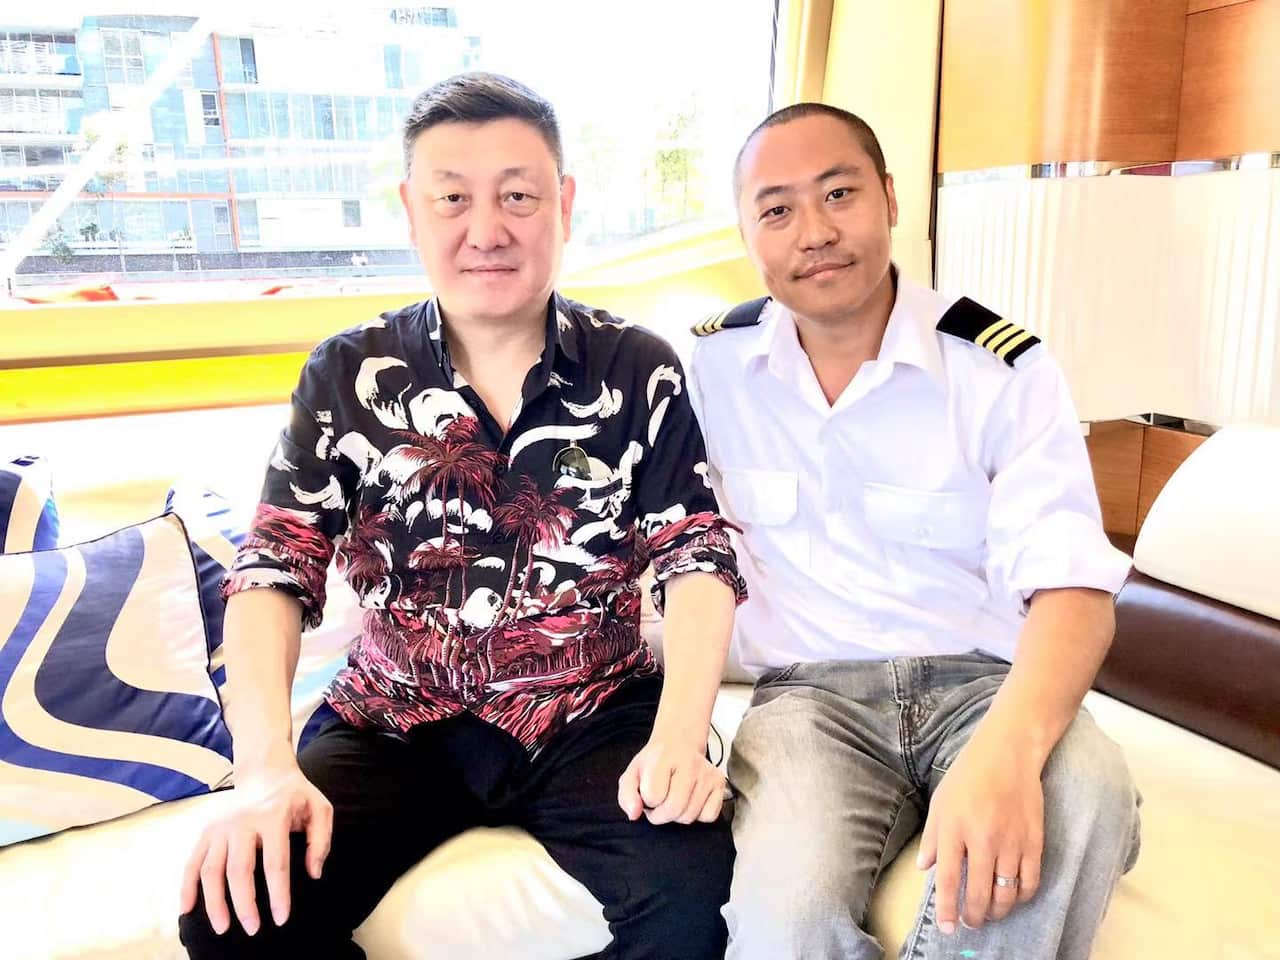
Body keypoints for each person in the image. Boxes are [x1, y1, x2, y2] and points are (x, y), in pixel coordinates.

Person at [178, 72, 745, 960]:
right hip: (393, 718)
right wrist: (263, 771)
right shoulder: (346, 374)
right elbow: (272, 571)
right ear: (412, 211)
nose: (487, 230)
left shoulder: (638, 367)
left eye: (518, 196)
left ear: (563, 204)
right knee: (236, 915)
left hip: (591, 712)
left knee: (694, 905)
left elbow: (696, 555)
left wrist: (681, 735)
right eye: (453, 199)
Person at [688, 102, 1141, 960]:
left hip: (985, 689)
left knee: (1085, 789)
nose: (813, 231)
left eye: (839, 193)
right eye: (776, 210)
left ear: (891, 199)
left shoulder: (1000, 368)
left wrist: (1009, 753)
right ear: (747, 233)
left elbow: (1074, 589)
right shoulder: (711, 370)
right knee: (785, 925)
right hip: (809, 702)